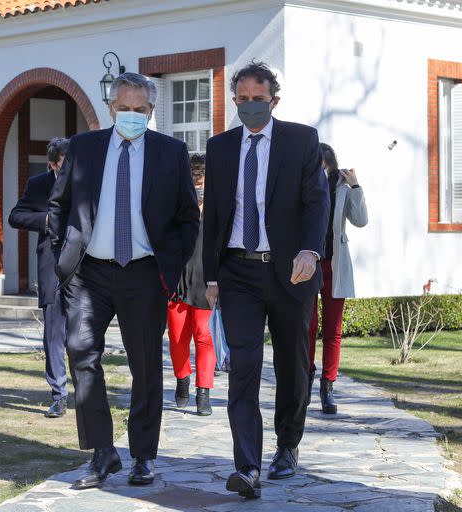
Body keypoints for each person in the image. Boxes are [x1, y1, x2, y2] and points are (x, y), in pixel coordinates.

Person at [48, 72, 199, 490]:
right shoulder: (84, 148)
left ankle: (144, 457)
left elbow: (189, 217)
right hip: (90, 272)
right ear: (111, 108)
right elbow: (57, 207)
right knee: (81, 354)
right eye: (125, 108)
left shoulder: (171, 152)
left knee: (146, 367)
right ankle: (102, 453)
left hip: (145, 274)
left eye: (141, 110)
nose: (132, 115)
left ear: (151, 112)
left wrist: (173, 263)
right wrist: (62, 254)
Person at [202, 61, 329, 499]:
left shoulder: (301, 140)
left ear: (275, 99)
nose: (250, 106)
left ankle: (288, 445)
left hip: (290, 271)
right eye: (243, 99)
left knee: (293, 365)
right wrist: (211, 276)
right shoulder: (219, 148)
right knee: (244, 367)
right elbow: (214, 215)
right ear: (234, 100)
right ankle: (248, 467)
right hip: (238, 271)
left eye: (259, 99)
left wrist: (311, 252)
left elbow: (317, 202)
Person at [8, 137, 70, 418]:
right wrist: (46, 221)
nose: (67, 172)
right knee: (54, 333)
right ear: (51, 164)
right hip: (51, 265)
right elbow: (15, 216)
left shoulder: (86, 181)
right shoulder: (38, 185)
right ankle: (59, 395)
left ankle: (87, 391)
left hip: (85, 265)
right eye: (61, 167)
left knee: (84, 334)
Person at [307, 143, 368, 415]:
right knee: (307, 326)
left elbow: (361, 220)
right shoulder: (303, 183)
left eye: (322, 163)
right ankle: (305, 379)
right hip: (310, 264)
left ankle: (327, 386)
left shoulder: (341, 186)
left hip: (336, 264)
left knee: (333, 329)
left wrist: (356, 187)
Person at [169, 154, 216, 417]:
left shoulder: (218, 207)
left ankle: (203, 392)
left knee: (203, 335)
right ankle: (183, 379)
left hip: (207, 280)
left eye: (203, 180)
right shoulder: (177, 206)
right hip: (178, 278)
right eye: (196, 180)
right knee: (177, 338)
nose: (199, 186)